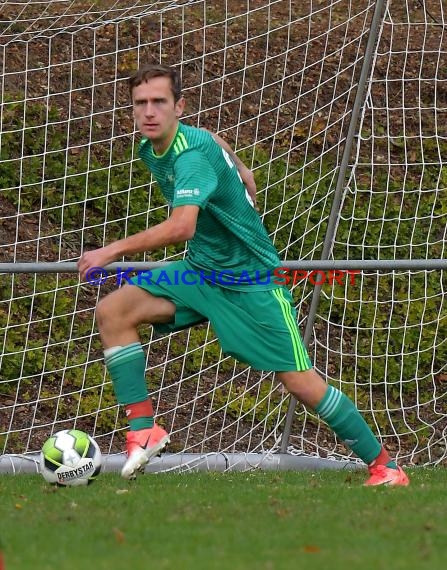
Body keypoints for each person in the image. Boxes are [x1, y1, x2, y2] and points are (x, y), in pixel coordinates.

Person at [78, 64, 409, 486]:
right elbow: (213, 139)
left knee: (301, 382)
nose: (149, 112)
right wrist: (242, 170)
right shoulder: (159, 144)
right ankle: (143, 429)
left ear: (178, 106)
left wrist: (110, 251)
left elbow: (182, 227)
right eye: (140, 103)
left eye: (159, 102)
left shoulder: (190, 156)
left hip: (252, 283)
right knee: (114, 311)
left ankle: (386, 466)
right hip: (201, 273)